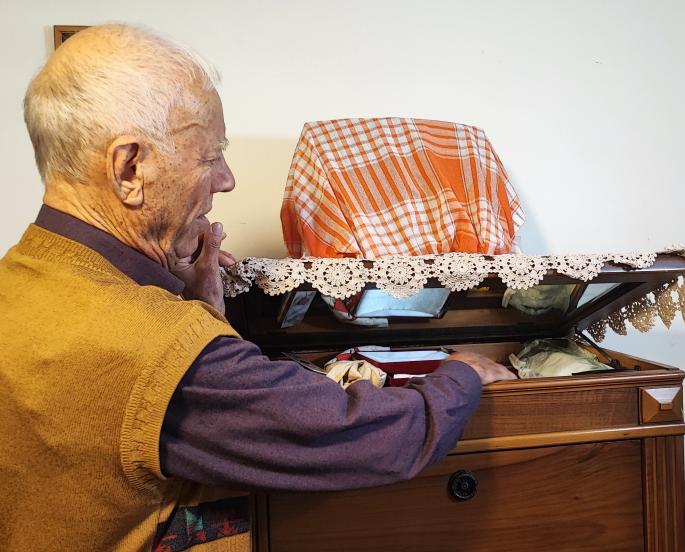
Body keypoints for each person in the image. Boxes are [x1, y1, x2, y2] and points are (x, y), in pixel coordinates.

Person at [0, 24, 515, 552]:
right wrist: (463, 372)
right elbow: (362, 437)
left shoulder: (23, 276)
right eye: (210, 156)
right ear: (129, 168)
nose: (226, 179)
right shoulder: (149, 345)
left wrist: (200, 306)